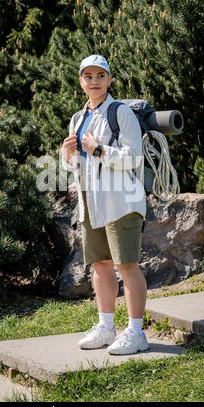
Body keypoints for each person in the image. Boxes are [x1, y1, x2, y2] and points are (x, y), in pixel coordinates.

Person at [61, 54, 149, 355]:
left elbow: (134, 157)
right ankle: (106, 327)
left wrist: (97, 149)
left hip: (121, 202)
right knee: (101, 266)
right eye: (88, 76)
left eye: (100, 75)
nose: (94, 81)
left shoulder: (119, 112)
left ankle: (137, 332)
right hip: (91, 204)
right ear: (81, 81)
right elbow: (75, 166)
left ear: (109, 80)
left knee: (127, 266)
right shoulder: (77, 117)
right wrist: (67, 153)